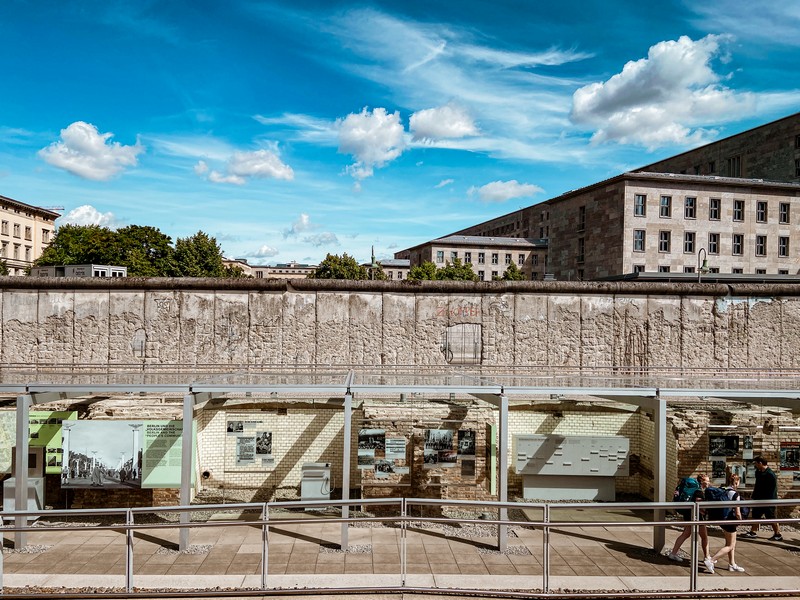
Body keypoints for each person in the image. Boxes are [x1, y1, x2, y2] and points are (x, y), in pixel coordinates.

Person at [704, 474, 745, 573]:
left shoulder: (723, 490)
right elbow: (738, 512)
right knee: (730, 545)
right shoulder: (735, 494)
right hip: (730, 520)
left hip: (723, 519)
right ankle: (711, 560)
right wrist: (741, 520)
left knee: (729, 543)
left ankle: (732, 564)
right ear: (736, 482)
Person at [667, 473, 711, 563]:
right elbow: (700, 507)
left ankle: (673, 553)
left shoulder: (693, 489)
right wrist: (706, 512)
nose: (709, 483)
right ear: (702, 481)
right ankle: (707, 557)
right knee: (704, 537)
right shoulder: (699, 491)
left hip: (688, 514)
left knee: (686, 534)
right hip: (697, 516)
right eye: (707, 481)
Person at [741, 456, 782, 541]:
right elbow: (757, 486)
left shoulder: (770, 474)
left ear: (760, 463)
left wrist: (768, 501)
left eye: (756, 463)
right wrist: (754, 496)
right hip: (758, 498)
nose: (755, 465)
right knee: (756, 515)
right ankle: (753, 532)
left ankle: (778, 534)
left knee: (771, 517)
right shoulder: (758, 472)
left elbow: (772, 490)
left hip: (768, 500)